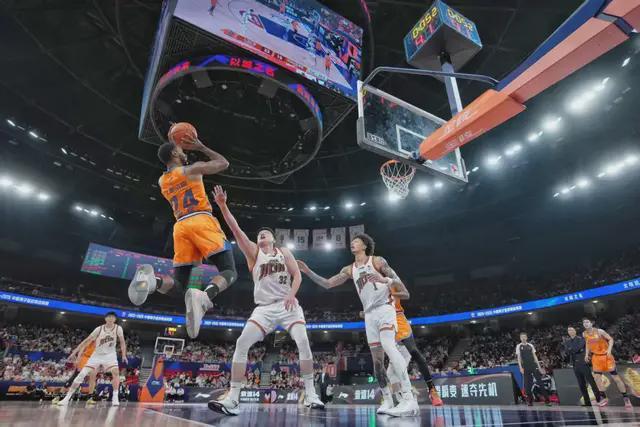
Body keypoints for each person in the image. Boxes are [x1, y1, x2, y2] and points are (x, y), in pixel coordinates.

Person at [207, 185, 324, 416]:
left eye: (265, 233)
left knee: (303, 341)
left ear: (273, 239)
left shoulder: (284, 252)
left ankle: (311, 394)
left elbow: (297, 275)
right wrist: (222, 206)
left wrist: (291, 294)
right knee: (241, 343)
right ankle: (233, 398)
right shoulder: (254, 253)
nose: (261, 234)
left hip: (288, 305)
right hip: (264, 309)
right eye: (259, 233)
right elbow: (236, 229)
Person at [128, 131, 237, 339]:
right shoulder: (191, 170)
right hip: (201, 220)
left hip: (180, 227)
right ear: (175, 154)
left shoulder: (162, 181)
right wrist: (201, 147)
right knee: (229, 270)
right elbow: (224, 163)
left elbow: (172, 165)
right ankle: (205, 296)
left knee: (179, 288)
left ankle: (153, 282)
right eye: (181, 150)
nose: (185, 152)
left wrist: (176, 144)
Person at [297, 233, 419, 417]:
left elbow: (402, 288)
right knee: (377, 362)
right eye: (352, 242)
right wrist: (307, 271)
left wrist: (386, 281)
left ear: (364, 245)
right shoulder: (349, 269)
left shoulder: (377, 261)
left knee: (388, 346)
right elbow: (328, 284)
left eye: (356, 241)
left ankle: (408, 399)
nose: (352, 244)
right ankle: (388, 400)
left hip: (385, 308)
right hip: (369, 315)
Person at [57, 312, 128, 406]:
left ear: (115, 319)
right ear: (105, 318)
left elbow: (122, 342)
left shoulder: (118, 328)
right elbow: (86, 341)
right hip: (96, 355)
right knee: (81, 374)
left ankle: (115, 397)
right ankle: (66, 398)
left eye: (113, 317)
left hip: (110, 355)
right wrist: (74, 352)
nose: (111, 318)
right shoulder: (99, 329)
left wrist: (124, 355)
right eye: (109, 317)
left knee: (115, 372)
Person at [582, 317, 632, 408]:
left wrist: (609, 350)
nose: (585, 323)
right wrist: (586, 354)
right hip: (596, 358)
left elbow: (611, 339)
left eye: (587, 322)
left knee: (616, 378)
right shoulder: (584, 334)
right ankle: (604, 398)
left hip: (606, 357)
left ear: (591, 323)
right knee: (597, 378)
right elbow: (587, 343)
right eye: (584, 322)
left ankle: (626, 398)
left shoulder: (599, 331)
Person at [563, 326, 602, 406]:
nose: (570, 331)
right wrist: (573, 350)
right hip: (575, 364)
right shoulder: (567, 341)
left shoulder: (581, 339)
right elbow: (567, 351)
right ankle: (587, 402)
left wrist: (572, 349)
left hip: (583, 363)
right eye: (569, 330)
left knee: (591, 381)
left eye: (571, 330)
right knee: (581, 384)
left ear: (575, 331)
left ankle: (599, 399)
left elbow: (578, 348)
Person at [53, 340, 98, 404]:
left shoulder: (103, 341)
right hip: (85, 358)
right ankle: (59, 396)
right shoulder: (93, 338)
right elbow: (82, 348)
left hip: (94, 360)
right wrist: (78, 359)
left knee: (93, 378)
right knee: (75, 376)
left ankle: (90, 398)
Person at [516, 332, 551, 406]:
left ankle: (547, 400)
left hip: (533, 366)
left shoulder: (530, 345)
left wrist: (539, 367)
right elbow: (519, 358)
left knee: (540, 382)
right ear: (520, 338)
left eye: (524, 337)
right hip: (525, 367)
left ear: (526, 337)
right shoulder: (518, 346)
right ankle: (530, 401)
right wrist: (520, 368)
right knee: (527, 385)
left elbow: (535, 356)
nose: (523, 338)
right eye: (522, 337)